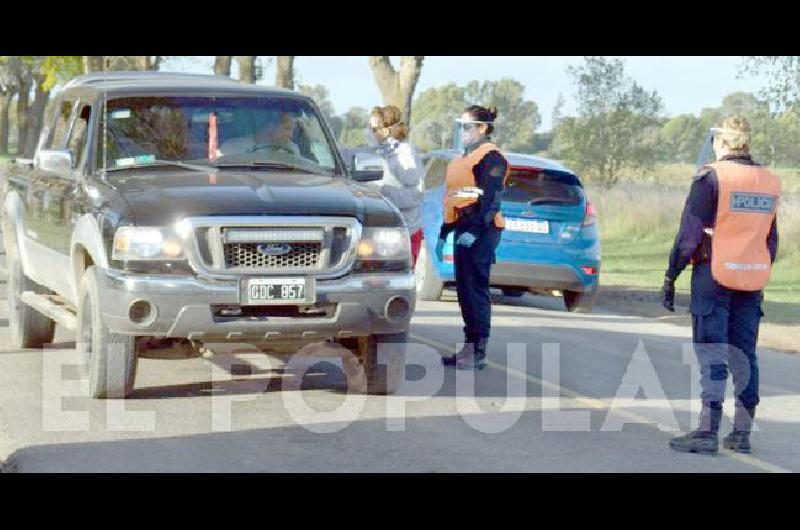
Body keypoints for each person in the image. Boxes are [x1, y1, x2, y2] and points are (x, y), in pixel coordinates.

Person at [662, 116, 781, 455]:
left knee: (713, 353)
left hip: (713, 276)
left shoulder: (712, 177)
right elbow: (771, 239)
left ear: (722, 142)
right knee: (745, 355)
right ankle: (741, 433)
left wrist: (672, 275)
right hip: (751, 279)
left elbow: (689, 234)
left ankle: (707, 430)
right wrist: (756, 268)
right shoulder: (769, 181)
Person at [438, 105, 508, 370]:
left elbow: (491, 202)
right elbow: (454, 197)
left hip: (482, 230)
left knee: (476, 289)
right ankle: (468, 347)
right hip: (462, 226)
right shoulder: (462, 158)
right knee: (464, 291)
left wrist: (475, 231)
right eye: (460, 126)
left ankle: (479, 351)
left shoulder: (491, 158)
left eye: (467, 127)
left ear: (482, 128)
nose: (462, 132)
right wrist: (444, 234)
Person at [367, 105, 424, 266]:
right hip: (388, 230)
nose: (371, 133)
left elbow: (416, 195)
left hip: (406, 231)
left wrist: (381, 192)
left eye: (374, 129)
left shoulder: (405, 154)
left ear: (386, 130)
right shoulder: (385, 152)